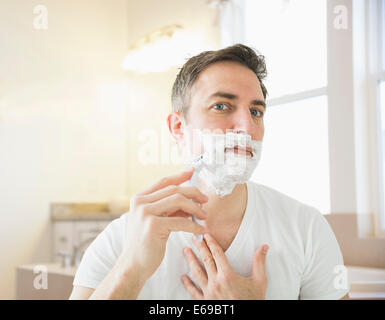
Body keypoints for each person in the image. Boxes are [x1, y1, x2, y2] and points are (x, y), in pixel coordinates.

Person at [69, 44, 350, 300]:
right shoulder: (123, 238)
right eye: (221, 106)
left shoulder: (305, 227)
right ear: (178, 127)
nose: (247, 127)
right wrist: (131, 269)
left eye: (256, 111)